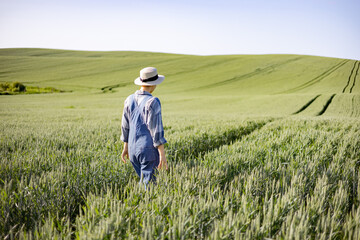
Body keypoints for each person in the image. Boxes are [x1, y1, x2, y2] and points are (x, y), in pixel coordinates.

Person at [120, 67, 168, 187]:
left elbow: (125, 126)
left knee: (143, 183)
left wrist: (125, 147)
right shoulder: (152, 101)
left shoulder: (128, 99)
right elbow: (156, 130)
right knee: (150, 188)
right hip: (148, 151)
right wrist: (162, 154)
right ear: (154, 84)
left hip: (132, 150)